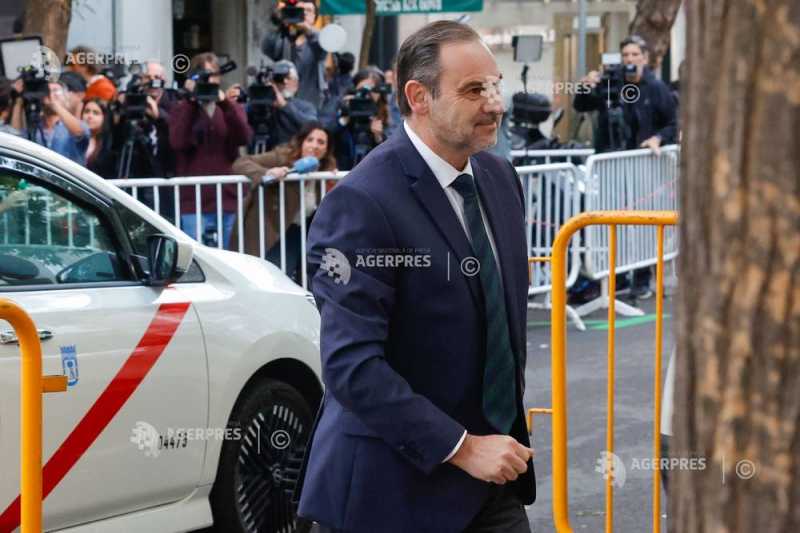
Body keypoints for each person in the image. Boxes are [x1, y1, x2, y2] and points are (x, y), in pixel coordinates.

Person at [297, 21, 535, 533]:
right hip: (390, 494)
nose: (495, 104)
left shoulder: (500, 179)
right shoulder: (362, 203)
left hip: (492, 487)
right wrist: (461, 447)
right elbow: (351, 365)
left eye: (495, 86)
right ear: (418, 97)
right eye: (474, 90)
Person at [230, 121, 336, 278]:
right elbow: (241, 162)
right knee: (274, 276)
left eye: (321, 142)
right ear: (301, 142)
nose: (314, 146)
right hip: (271, 228)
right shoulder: (282, 157)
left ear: (327, 149)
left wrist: (332, 181)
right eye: (310, 140)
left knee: (305, 277)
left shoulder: (327, 169)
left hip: (301, 231)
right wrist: (267, 173)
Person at [169, 52, 252, 248]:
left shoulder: (229, 107)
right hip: (194, 200)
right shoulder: (182, 108)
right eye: (205, 75)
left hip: (227, 198)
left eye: (214, 75)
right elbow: (178, 142)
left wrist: (225, 103)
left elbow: (244, 137)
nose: (210, 80)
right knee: (198, 258)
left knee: (230, 257)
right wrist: (191, 101)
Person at [573, 34, 677, 154]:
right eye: (625, 55)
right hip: (608, 156)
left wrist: (657, 138)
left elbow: (673, 124)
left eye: (635, 54)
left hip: (642, 157)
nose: (630, 59)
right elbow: (580, 106)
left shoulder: (656, 87)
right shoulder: (610, 83)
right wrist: (584, 87)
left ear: (645, 59)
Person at [262, 0, 327, 108]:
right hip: (283, 102)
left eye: (308, 10)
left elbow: (321, 49)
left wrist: (307, 29)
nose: (304, 13)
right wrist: (278, 22)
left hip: (309, 103)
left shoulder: (318, 39)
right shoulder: (284, 38)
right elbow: (266, 48)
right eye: (300, 10)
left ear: (315, 17)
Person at [10, 80, 91, 164]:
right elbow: (15, 136)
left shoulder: (75, 125)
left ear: (66, 97)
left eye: (55, 90)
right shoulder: (35, 127)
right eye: (47, 91)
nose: (50, 94)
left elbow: (79, 133)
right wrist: (19, 101)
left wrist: (55, 105)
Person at [332, 68, 396, 170]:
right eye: (363, 88)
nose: (367, 94)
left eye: (373, 90)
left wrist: (378, 137)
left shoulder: (385, 117)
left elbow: (390, 155)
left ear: (380, 94)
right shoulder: (342, 108)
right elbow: (329, 136)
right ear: (354, 89)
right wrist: (345, 116)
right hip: (342, 171)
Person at [263, 60, 318, 149]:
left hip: (293, 153)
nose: (285, 82)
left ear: (296, 83)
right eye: (280, 79)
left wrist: (285, 106)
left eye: (289, 78)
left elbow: (313, 126)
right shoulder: (263, 103)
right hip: (267, 154)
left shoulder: (305, 107)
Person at [82, 98, 116, 178]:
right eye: (86, 111)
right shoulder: (74, 137)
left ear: (104, 117)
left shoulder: (110, 144)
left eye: (96, 113)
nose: (90, 116)